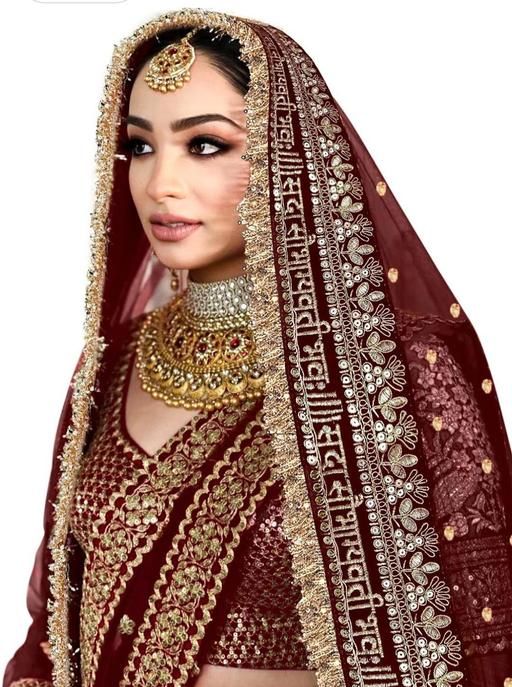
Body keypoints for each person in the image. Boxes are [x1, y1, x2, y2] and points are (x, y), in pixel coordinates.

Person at [3, 7, 512, 687]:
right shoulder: (114, 363)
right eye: (141, 146)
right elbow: (54, 628)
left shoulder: (393, 377)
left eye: (204, 144)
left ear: (288, 151)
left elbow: (479, 645)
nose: (160, 184)